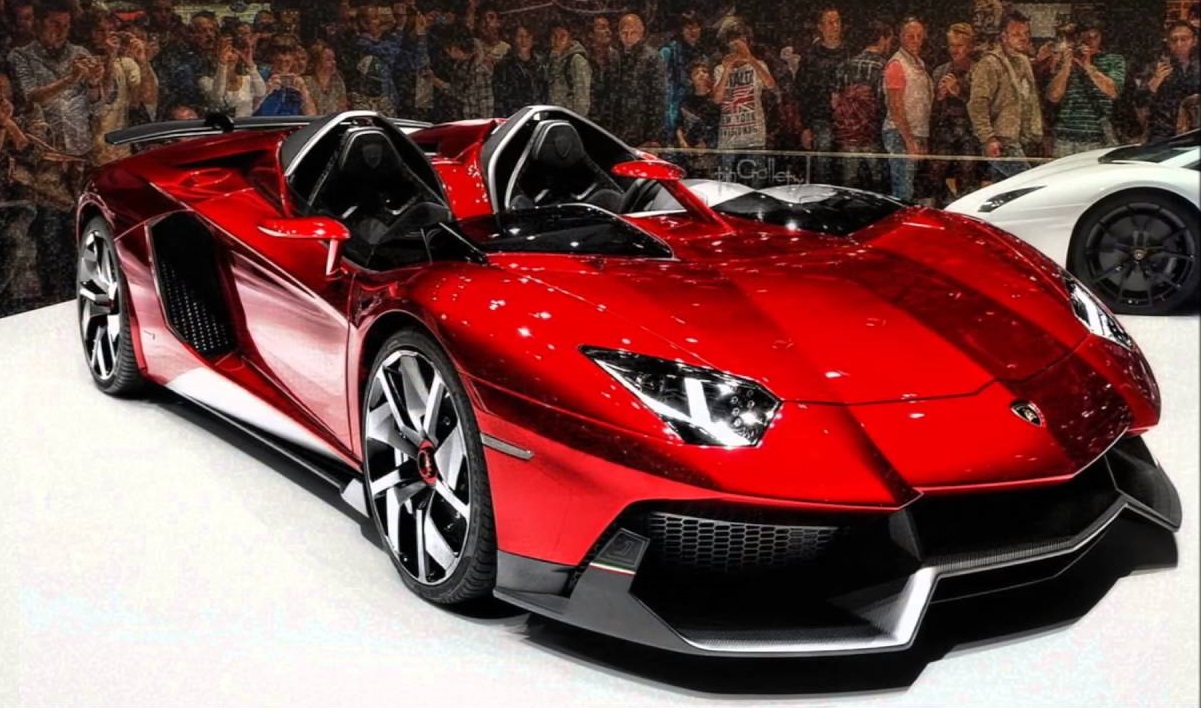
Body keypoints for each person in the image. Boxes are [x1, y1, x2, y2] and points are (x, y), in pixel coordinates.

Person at [968, 10, 1043, 181]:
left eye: (1026, 33)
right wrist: (988, 138)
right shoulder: (989, 64)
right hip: (1003, 140)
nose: (1023, 38)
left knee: (1006, 189)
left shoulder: (1023, 61)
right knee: (1027, 184)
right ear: (1004, 36)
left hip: (1023, 138)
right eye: (1016, 34)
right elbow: (978, 104)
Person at [1046, 18, 1125, 156]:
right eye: (1086, 38)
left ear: (1101, 38)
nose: (1090, 42)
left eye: (1095, 37)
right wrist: (1066, 67)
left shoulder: (1113, 60)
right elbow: (1053, 96)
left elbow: (1113, 91)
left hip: (1097, 137)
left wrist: (1088, 67)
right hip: (1064, 137)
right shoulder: (1065, 61)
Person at [712, 19, 776, 187]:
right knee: (725, 187)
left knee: (756, 187)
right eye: (733, 43)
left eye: (741, 42)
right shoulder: (720, 68)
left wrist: (751, 59)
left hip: (754, 137)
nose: (737, 48)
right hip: (728, 139)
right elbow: (717, 99)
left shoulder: (759, 65)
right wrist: (727, 69)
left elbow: (770, 84)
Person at [833, 19, 893, 191]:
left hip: (848, 132)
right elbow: (885, 104)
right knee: (878, 182)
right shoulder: (883, 67)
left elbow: (835, 101)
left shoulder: (845, 65)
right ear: (882, 39)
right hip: (873, 133)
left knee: (849, 181)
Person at [798, 6, 851, 184]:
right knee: (823, 166)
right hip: (820, 118)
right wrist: (805, 127)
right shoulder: (810, 57)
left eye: (837, 22)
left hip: (848, 120)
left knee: (848, 170)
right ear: (820, 27)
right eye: (830, 22)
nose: (835, 26)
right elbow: (803, 93)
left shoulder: (850, 53)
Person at [882, 16, 932, 201]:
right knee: (903, 190)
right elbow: (895, 106)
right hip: (900, 134)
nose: (916, 40)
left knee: (911, 189)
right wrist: (909, 140)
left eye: (919, 36)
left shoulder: (919, 63)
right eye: (911, 36)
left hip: (916, 132)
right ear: (901, 37)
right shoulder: (897, 64)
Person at [928, 22, 979, 201]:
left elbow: (982, 104)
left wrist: (960, 92)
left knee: (968, 175)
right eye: (952, 45)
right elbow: (932, 110)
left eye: (960, 45)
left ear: (970, 46)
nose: (955, 50)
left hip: (969, 131)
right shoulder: (940, 71)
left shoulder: (979, 71)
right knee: (935, 173)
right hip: (945, 130)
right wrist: (939, 97)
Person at [1146, 21, 1200, 143]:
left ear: (1194, 41)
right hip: (1164, 130)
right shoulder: (1157, 65)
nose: (1179, 44)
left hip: (1195, 127)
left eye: (1184, 39)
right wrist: (1154, 82)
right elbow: (1140, 101)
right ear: (1168, 42)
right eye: (1174, 40)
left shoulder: (1197, 65)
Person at [660, 11, 705, 146]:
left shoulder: (703, 55)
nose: (692, 31)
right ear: (681, 30)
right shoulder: (669, 51)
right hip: (671, 111)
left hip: (694, 112)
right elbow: (661, 86)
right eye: (688, 27)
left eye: (696, 27)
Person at [201, 29, 265, 117]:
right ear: (214, 54)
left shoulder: (247, 79)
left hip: (245, 124)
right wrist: (222, 65)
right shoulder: (206, 81)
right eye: (224, 51)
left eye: (233, 51)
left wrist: (250, 64)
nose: (229, 56)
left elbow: (261, 92)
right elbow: (217, 98)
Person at [433, 28, 492, 120]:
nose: (446, 51)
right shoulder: (459, 65)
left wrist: (484, 124)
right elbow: (457, 92)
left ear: (454, 48)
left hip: (473, 120)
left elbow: (485, 103)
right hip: (460, 117)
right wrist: (435, 81)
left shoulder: (479, 69)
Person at [675, 59, 720, 177]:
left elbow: (719, 126)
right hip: (688, 155)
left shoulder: (715, 100)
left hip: (711, 156)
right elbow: (679, 124)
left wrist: (707, 144)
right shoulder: (686, 101)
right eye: (696, 73)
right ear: (691, 79)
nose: (701, 74)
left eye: (704, 71)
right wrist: (682, 141)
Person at [493, 23, 544, 118]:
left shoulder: (540, 65)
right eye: (520, 37)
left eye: (527, 36)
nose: (524, 41)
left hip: (537, 116)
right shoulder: (503, 66)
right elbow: (500, 99)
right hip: (514, 118)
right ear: (513, 39)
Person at [255, 43, 316, 116]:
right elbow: (249, 110)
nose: (282, 66)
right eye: (279, 61)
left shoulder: (296, 81)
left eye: (287, 62)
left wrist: (304, 91)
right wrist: (266, 90)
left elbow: (311, 115)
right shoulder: (260, 77)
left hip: (291, 122)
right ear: (272, 61)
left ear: (292, 63)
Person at [546, 22, 589, 117]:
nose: (557, 41)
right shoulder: (551, 59)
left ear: (570, 39)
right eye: (554, 36)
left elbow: (582, 98)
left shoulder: (576, 61)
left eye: (562, 36)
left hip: (569, 117)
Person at [586, 15, 618, 129]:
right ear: (591, 34)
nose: (608, 31)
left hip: (612, 122)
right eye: (602, 28)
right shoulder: (584, 58)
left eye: (608, 27)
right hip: (588, 121)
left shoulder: (617, 58)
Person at [305, 40, 348, 115]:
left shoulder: (338, 81)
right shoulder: (306, 82)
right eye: (328, 59)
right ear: (316, 63)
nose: (333, 62)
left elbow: (343, 108)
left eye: (333, 59)